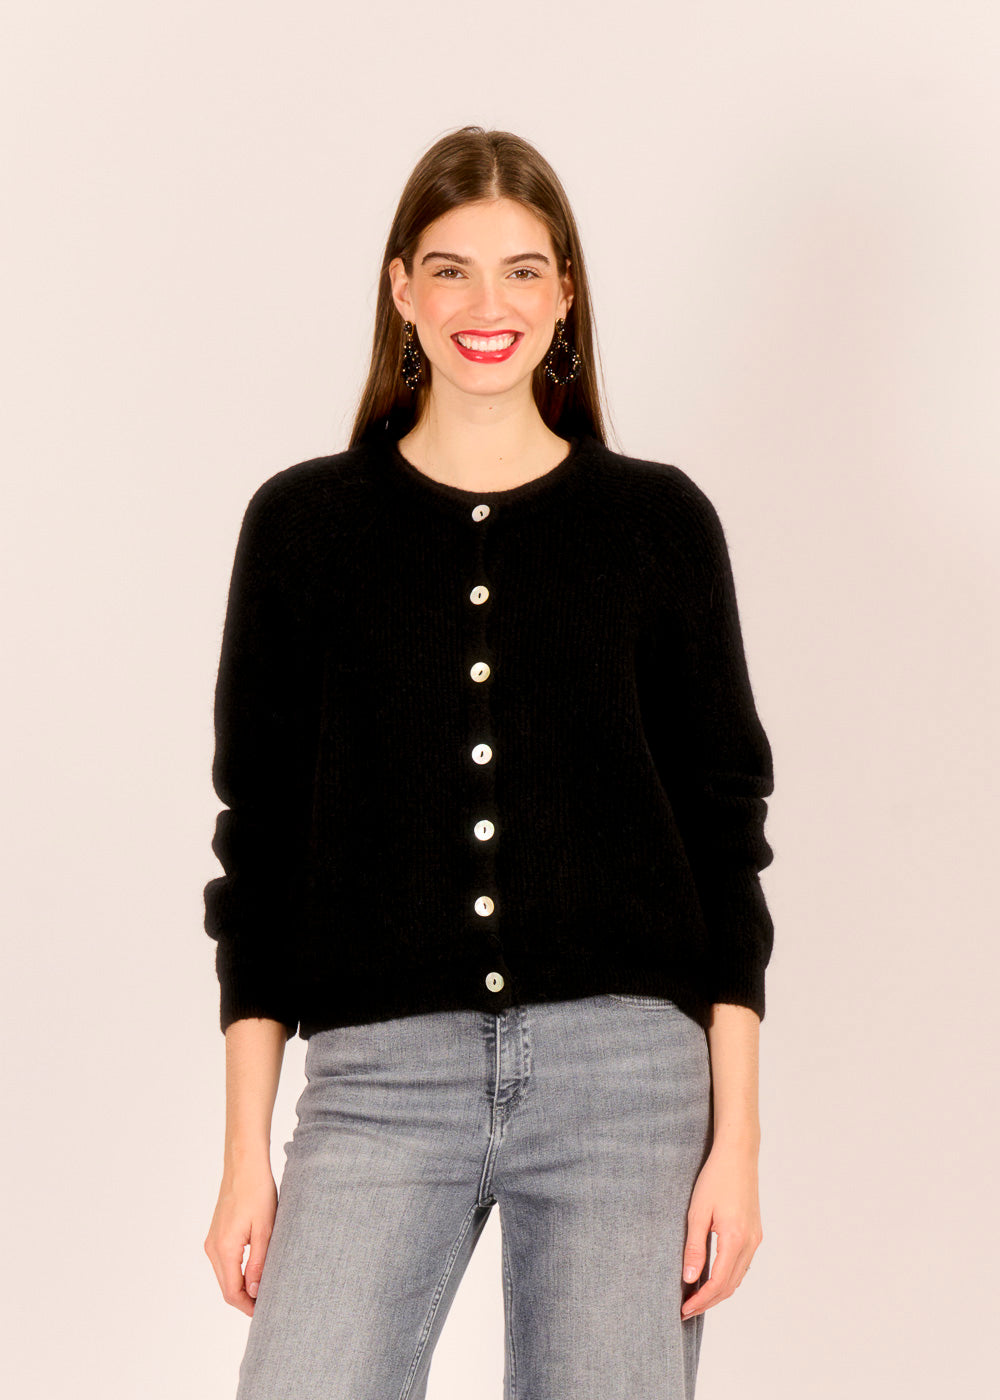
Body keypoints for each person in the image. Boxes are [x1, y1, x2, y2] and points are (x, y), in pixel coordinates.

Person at [202, 125, 775, 1400]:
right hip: (378, 1079)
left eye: (521, 270)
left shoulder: (657, 524)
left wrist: (736, 1141)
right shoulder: (302, 528)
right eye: (451, 269)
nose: (486, 305)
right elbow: (260, 844)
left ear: (564, 293)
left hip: (625, 1079)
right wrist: (246, 1151)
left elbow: (724, 838)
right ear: (401, 289)